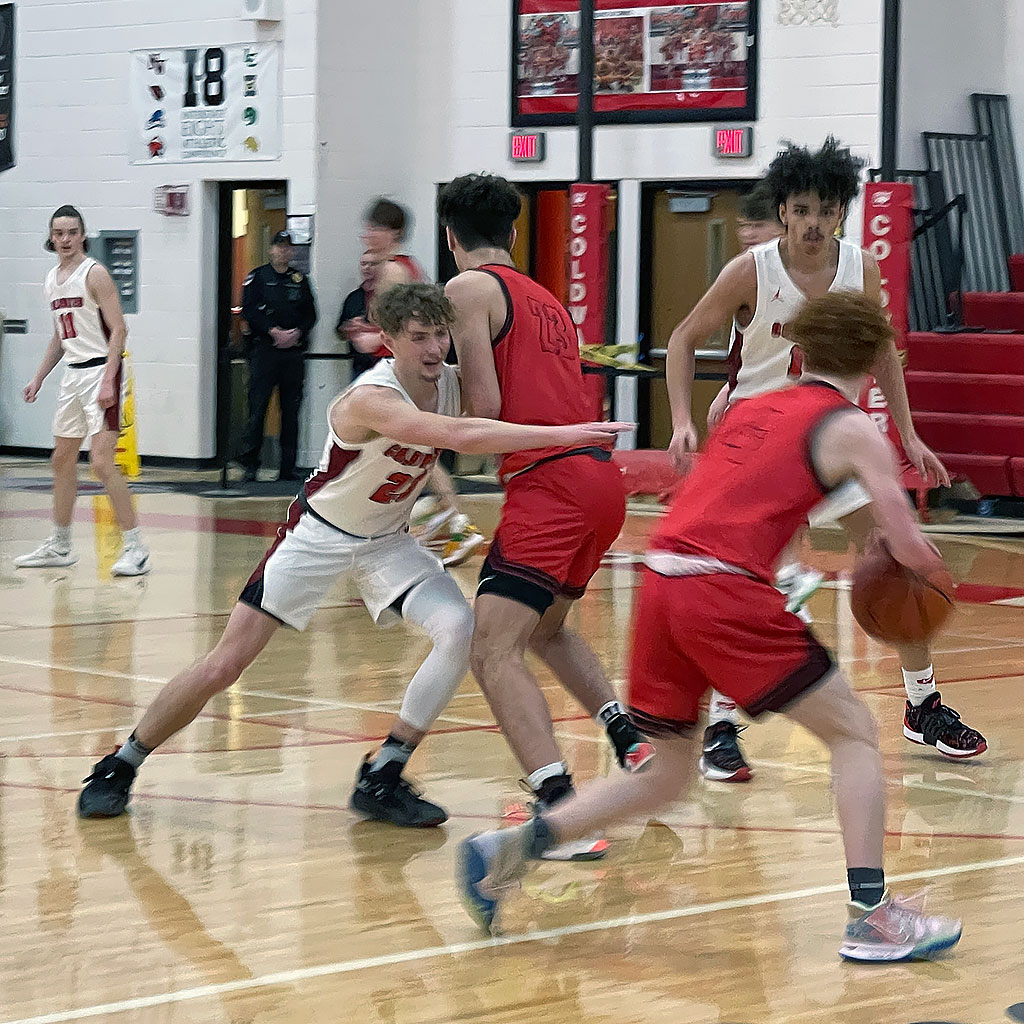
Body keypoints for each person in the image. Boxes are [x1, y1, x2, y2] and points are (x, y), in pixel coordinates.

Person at [458, 291, 964, 964]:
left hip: (661, 578)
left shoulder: (752, 408)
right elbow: (909, 548)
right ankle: (871, 916)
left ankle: (511, 850)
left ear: (799, 352)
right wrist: (923, 574)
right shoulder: (852, 428)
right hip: (721, 586)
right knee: (853, 733)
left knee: (666, 774)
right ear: (875, 359)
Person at [76, 283, 632, 827]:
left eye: (441, 335)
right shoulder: (371, 398)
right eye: (420, 337)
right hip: (318, 536)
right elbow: (460, 436)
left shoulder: (452, 383)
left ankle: (384, 773)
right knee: (226, 663)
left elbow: (498, 399)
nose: (435, 348)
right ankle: (121, 764)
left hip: (388, 541)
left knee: (463, 630)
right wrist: (569, 433)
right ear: (389, 339)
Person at [665, 138, 985, 778]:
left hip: (831, 439)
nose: (814, 223)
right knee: (753, 578)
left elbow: (882, 352)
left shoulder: (858, 269)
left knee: (896, 564)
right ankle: (723, 724)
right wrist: (679, 421)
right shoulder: (749, 271)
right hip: (759, 441)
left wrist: (908, 432)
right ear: (782, 210)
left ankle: (922, 704)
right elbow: (682, 338)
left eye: (826, 210)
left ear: (842, 213)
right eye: (802, 209)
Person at [439, 173, 654, 863]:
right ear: (511, 232)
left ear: (451, 236)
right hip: (599, 481)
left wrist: (413, 417)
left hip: (549, 483)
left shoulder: (466, 290)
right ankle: (628, 735)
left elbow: (485, 407)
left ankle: (559, 810)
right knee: (549, 629)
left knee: (490, 647)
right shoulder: (546, 300)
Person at [15, 205, 150, 577]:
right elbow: (61, 335)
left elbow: (119, 330)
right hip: (73, 376)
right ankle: (60, 544)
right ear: (51, 237)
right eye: (59, 233)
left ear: (83, 235)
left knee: (103, 464)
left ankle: (136, 548)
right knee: (61, 460)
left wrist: (109, 378)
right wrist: (39, 377)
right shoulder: (52, 279)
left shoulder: (96, 274)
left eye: (72, 232)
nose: (65, 240)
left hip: (102, 371)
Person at [239, 230, 318, 483]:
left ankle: (288, 467)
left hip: (293, 354)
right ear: (271, 250)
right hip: (265, 353)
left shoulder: (299, 280)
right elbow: (249, 310)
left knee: (291, 412)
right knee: (257, 409)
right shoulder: (258, 277)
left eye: (287, 247)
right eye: (279, 246)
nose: (283, 251)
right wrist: (271, 330)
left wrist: (297, 333)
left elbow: (310, 314)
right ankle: (250, 465)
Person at [336, 249, 386, 378]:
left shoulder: (388, 296)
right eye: (364, 264)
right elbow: (339, 331)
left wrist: (366, 328)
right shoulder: (353, 297)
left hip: (385, 362)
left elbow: (397, 329)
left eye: (372, 264)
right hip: (359, 364)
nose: (367, 268)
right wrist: (349, 327)